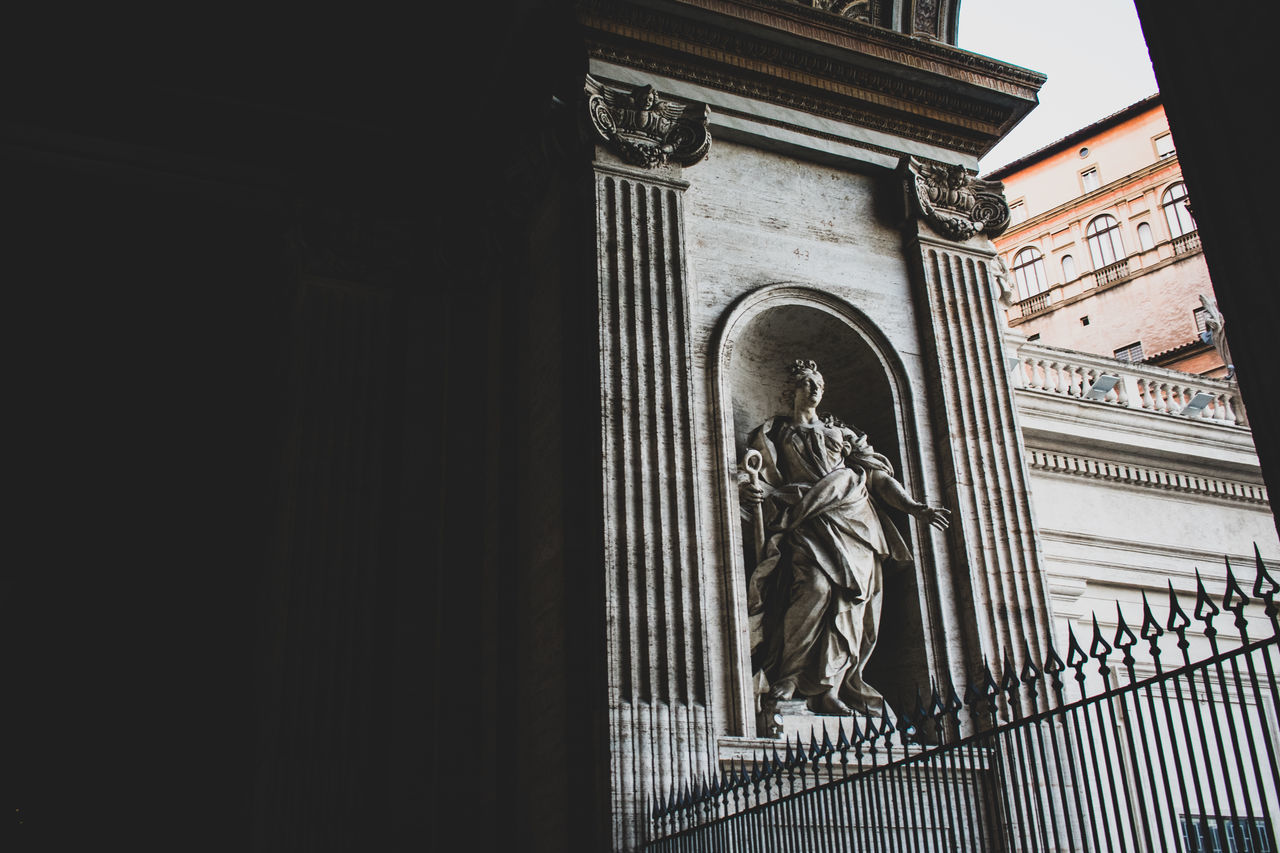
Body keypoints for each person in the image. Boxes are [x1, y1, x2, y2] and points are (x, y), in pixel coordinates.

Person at [740, 359, 950, 716]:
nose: (814, 389)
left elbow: (879, 478)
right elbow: (758, 477)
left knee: (852, 606)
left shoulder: (842, 434)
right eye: (807, 382)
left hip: (855, 520)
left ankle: (831, 687)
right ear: (792, 389)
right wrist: (754, 492)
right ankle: (790, 676)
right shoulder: (773, 434)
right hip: (807, 519)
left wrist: (915, 507)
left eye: (818, 383)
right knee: (814, 590)